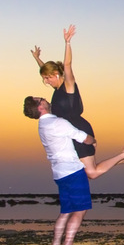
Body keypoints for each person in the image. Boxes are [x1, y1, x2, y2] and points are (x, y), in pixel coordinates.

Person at [24, 95, 124, 245]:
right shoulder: (58, 123)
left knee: (66, 211)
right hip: (72, 171)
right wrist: (93, 141)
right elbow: (84, 138)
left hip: (59, 173)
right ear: (40, 107)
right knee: (80, 210)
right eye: (42, 99)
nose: (45, 99)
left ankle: (56, 244)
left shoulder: (42, 126)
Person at [31, 25, 97, 163]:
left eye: (47, 78)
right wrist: (37, 58)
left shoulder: (68, 86)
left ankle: (123, 156)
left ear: (56, 74)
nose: (46, 81)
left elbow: (67, 65)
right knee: (83, 169)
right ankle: (120, 159)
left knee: (91, 171)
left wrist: (67, 43)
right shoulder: (57, 89)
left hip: (79, 129)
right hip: (69, 133)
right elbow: (46, 69)